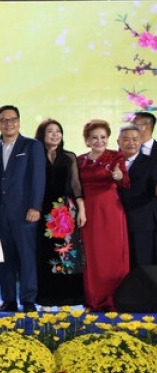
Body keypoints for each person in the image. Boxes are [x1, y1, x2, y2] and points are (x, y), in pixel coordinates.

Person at [0, 105, 46, 313]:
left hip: (24, 213)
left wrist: (35, 206)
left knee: (27, 257)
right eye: (4, 120)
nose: (9, 123)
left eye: (12, 119)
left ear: (19, 122)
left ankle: (28, 299)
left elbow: (38, 178)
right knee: (3, 258)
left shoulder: (32, 146)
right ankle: (9, 299)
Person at [78, 119, 129, 311]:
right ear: (87, 140)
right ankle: (94, 298)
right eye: (95, 138)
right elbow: (75, 187)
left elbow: (125, 182)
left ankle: (114, 299)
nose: (99, 141)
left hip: (110, 212)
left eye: (103, 137)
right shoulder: (80, 160)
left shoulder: (116, 157)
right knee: (92, 256)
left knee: (112, 255)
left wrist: (119, 177)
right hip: (88, 213)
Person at [34, 119, 86, 306]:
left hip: (64, 211)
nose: (55, 135)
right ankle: (47, 295)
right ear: (42, 135)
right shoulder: (35, 156)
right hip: (41, 210)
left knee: (66, 253)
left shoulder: (69, 157)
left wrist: (81, 210)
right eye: (50, 131)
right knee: (45, 252)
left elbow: (76, 185)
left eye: (58, 131)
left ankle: (69, 295)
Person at [117, 124, 157, 268]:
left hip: (141, 222)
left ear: (141, 141)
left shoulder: (151, 163)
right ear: (118, 142)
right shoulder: (111, 161)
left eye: (135, 139)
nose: (131, 143)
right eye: (126, 139)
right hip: (115, 221)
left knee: (142, 263)